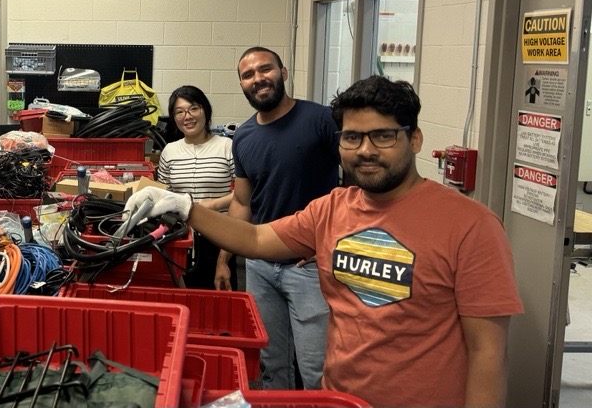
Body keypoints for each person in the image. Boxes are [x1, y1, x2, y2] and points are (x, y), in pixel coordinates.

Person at [126, 75, 524, 407]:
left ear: (414, 139)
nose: (365, 150)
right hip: (339, 399)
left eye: (383, 136)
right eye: (352, 138)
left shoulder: (471, 225)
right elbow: (257, 237)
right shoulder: (333, 208)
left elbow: (488, 355)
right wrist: (185, 206)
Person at [217, 46, 340, 389]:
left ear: (283, 72)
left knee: (316, 367)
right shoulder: (242, 136)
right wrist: (225, 259)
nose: (258, 79)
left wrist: (332, 242)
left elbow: (358, 187)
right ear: (242, 84)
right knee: (271, 364)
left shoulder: (321, 119)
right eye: (248, 74)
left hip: (309, 266)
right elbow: (243, 202)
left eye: (265, 69)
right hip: (259, 264)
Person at [156, 85, 236, 289]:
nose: (187, 117)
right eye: (179, 112)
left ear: (205, 111)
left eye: (193, 109)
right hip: (181, 239)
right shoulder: (169, 151)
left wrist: (212, 205)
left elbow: (244, 195)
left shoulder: (227, 147)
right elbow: (163, 194)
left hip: (220, 238)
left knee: (219, 306)